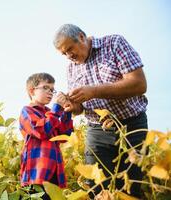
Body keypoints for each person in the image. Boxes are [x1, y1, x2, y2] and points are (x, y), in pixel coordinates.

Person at [53, 24, 148, 198]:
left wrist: (94, 91)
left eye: (69, 49)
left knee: (130, 187)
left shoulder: (114, 44)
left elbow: (139, 84)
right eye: (64, 54)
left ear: (81, 37)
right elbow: (80, 108)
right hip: (97, 130)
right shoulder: (71, 68)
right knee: (97, 188)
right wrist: (72, 105)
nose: (69, 56)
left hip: (132, 126)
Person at [19, 72, 74, 200]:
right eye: (45, 88)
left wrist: (66, 112)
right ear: (32, 91)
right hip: (36, 174)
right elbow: (42, 131)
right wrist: (56, 109)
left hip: (54, 171)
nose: (50, 92)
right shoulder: (27, 111)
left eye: (52, 90)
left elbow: (64, 135)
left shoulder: (50, 113)